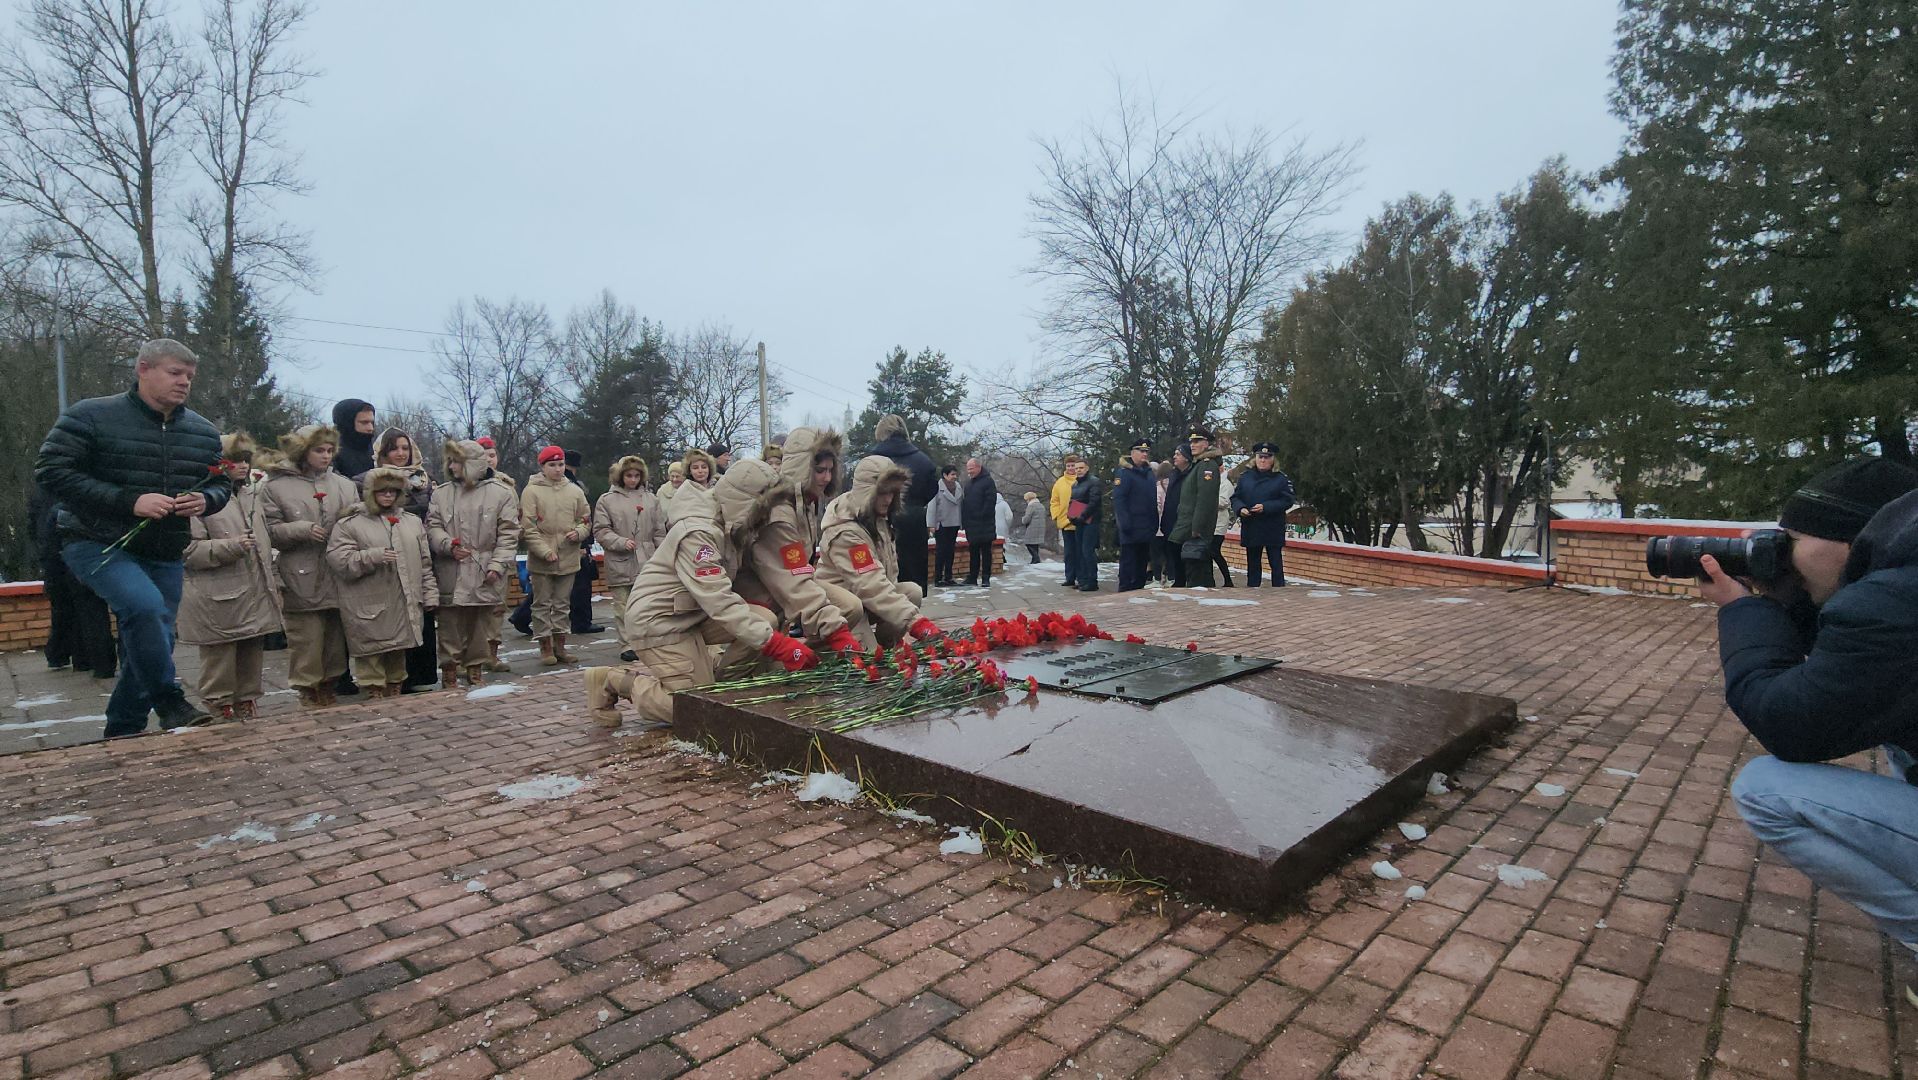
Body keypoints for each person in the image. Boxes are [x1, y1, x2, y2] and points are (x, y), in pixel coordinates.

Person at [1698, 458, 1918, 981]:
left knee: (1766, 790)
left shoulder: (1893, 602)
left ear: (1851, 537)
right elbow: (1851, 662)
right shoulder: (1902, 585)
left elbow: (1791, 725)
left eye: (1793, 537)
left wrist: (1740, 610)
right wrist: (1785, 600)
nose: (1783, 551)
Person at [34, 339, 228, 735]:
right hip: (94, 539)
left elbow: (221, 483)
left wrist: (204, 500)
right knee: (144, 609)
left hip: (165, 547)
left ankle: (124, 728)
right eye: (175, 373)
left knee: (154, 633)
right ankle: (170, 700)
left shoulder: (202, 431)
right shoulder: (91, 415)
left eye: (189, 376)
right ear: (143, 369)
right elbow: (52, 471)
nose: (184, 383)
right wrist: (129, 501)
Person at [582, 459, 816, 730]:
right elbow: (718, 599)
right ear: (745, 503)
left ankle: (726, 685)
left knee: (763, 618)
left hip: (691, 614)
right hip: (659, 621)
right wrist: (777, 646)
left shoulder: (729, 524)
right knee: (696, 711)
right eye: (764, 510)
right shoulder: (698, 532)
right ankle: (612, 680)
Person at [732, 427, 863, 667]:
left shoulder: (806, 502)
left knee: (849, 606)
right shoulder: (781, 511)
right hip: (760, 592)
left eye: (830, 471)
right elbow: (791, 579)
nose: (826, 478)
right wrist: (839, 634)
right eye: (819, 470)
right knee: (733, 673)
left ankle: (807, 661)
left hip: (787, 583)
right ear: (803, 468)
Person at [178, 434, 282, 721]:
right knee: (220, 657)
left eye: (246, 460)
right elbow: (188, 551)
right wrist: (231, 546)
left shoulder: (250, 496)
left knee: (252, 648)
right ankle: (219, 703)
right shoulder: (196, 499)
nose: (243, 466)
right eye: (234, 460)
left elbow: (265, 542)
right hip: (216, 593)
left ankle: (248, 698)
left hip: (254, 589)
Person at [262, 422, 361, 707]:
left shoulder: (343, 485)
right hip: (300, 572)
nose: (326, 456)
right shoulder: (276, 487)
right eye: (319, 450)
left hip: (337, 572)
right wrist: (301, 529)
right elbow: (269, 530)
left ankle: (330, 684)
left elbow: (357, 523)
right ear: (303, 451)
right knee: (306, 638)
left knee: (334, 637)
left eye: (330, 450)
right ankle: (308, 688)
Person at [326, 467, 436, 698]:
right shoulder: (350, 524)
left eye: (393, 491)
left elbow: (424, 562)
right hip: (368, 606)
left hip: (403, 604)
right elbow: (339, 561)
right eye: (382, 491)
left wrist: (429, 593)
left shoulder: (412, 522)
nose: (388, 496)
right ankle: (373, 696)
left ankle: (394, 692)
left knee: (397, 658)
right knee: (371, 658)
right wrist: (371, 556)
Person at [816, 456, 943, 648]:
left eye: (893, 492)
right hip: (842, 607)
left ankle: (887, 644)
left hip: (865, 598)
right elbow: (869, 584)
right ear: (868, 491)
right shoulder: (845, 531)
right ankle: (824, 648)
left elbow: (887, 579)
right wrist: (915, 622)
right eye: (882, 492)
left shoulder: (878, 519)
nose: (888, 499)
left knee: (912, 592)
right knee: (868, 661)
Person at [428, 439, 521, 689]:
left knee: (480, 625)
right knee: (448, 626)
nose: (452, 466)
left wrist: (498, 565)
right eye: (450, 461)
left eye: (457, 461)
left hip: (484, 569)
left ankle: (476, 669)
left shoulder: (500, 493)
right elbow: (433, 526)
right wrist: (448, 545)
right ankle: (449, 671)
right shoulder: (442, 493)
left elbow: (509, 533)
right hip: (451, 569)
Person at [369, 427, 441, 690]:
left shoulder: (425, 480)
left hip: (422, 548)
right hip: (390, 550)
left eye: (405, 448)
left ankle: (423, 674)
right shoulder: (368, 480)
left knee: (423, 611)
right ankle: (399, 676)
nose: (400, 454)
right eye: (394, 448)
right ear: (382, 452)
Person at [29, 480, 115, 678]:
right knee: (89, 609)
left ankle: (75, 658)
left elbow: (35, 525)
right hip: (84, 555)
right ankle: (96, 662)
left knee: (70, 608)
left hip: (58, 556)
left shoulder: (45, 491)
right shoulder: (86, 489)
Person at [521, 445, 591, 666]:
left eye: (561, 464)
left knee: (562, 604)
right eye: (552, 465)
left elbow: (585, 519)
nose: (558, 469)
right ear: (542, 466)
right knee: (542, 604)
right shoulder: (531, 491)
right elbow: (528, 527)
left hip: (568, 555)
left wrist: (578, 533)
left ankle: (560, 645)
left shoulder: (575, 491)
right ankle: (545, 646)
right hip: (543, 559)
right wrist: (543, 551)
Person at [594, 454, 665, 660]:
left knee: (646, 604)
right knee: (622, 605)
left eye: (636, 475)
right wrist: (620, 542)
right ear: (620, 476)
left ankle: (646, 641)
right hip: (620, 560)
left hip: (647, 559)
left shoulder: (651, 500)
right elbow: (601, 530)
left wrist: (661, 555)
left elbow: (660, 530)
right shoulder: (607, 500)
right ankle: (626, 644)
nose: (632, 480)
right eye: (628, 475)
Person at [868, 414, 937, 591]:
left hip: (882, 519)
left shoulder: (873, 459)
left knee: (884, 578)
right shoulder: (923, 459)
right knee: (913, 579)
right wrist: (916, 503)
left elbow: (865, 490)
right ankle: (914, 614)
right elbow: (932, 489)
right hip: (914, 520)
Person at [476, 436, 516, 672]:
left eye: (492, 455)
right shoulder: (468, 483)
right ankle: (468, 656)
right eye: (483, 455)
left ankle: (492, 653)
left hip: (500, 553)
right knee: (472, 609)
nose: (489, 459)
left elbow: (513, 520)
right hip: (474, 554)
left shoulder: (507, 486)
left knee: (497, 607)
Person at [1231, 442, 1296, 587]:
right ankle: (1253, 592)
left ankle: (1278, 593)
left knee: (1276, 564)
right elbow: (1236, 497)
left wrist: (1266, 507)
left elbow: (1287, 500)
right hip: (1251, 526)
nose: (1263, 460)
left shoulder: (1280, 479)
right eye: (1260, 457)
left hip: (1272, 527)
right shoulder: (1246, 477)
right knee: (1253, 565)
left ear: (1273, 459)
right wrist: (1240, 508)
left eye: (1267, 457)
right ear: (1255, 458)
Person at [1170, 428, 1225, 588]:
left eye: (1197, 441)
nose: (1192, 445)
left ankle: (1201, 602)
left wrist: (1197, 528)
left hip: (1195, 529)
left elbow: (1205, 501)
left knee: (1199, 573)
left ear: (1206, 444)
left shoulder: (1207, 466)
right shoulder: (1198, 465)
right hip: (1187, 524)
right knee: (1193, 568)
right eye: (1191, 441)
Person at [563, 449, 605, 636]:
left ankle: (522, 616)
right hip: (574, 540)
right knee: (580, 586)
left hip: (571, 538)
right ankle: (581, 622)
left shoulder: (570, 485)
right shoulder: (573, 486)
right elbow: (582, 516)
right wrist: (584, 542)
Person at [1112, 439, 1157, 592]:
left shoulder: (1149, 473)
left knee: (1141, 565)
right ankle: (1124, 593)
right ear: (1132, 453)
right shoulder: (1124, 473)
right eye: (1141, 451)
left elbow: (1152, 500)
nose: (1144, 454)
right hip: (1130, 527)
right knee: (1128, 565)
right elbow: (1120, 500)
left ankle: (1138, 592)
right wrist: (1124, 524)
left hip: (1146, 527)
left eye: (1146, 451)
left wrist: (1154, 523)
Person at [960, 457, 998, 588]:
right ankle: (972, 577)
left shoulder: (988, 482)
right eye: (968, 469)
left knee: (986, 552)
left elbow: (990, 502)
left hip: (984, 524)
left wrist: (981, 516)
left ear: (978, 467)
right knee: (973, 552)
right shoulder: (969, 484)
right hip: (972, 525)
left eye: (971, 469)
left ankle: (986, 578)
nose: (969, 472)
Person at [1067, 459, 1104, 591]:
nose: (1078, 470)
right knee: (1080, 551)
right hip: (1079, 521)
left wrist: (1083, 516)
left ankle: (1092, 581)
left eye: (1081, 468)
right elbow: (1073, 501)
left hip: (1091, 521)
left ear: (1087, 468)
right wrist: (1070, 516)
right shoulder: (1075, 484)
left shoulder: (1094, 482)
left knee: (1087, 551)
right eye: (1076, 468)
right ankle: (1082, 580)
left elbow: (1094, 502)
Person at [1158, 448, 1190, 588]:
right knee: (1172, 554)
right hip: (1170, 521)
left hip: (1183, 522)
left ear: (1187, 458)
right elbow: (1169, 500)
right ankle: (1176, 580)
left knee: (1183, 556)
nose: (1174, 457)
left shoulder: (1190, 475)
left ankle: (1181, 580)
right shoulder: (1174, 474)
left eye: (1178, 454)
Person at [1050, 454, 1082, 587]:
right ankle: (1070, 577)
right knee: (1069, 553)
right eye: (1068, 466)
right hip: (1065, 522)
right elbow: (1054, 501)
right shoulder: (1060, 482)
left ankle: (1081, 577)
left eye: (1073, 466)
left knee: (1080, 552)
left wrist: (1078, 515)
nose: (1070, 468)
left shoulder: (1081, 480)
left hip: (1080, 522)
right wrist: (1057, 515)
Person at [330, 398, 377, 487]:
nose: (370, 428)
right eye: (364, 422)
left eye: (372, 422)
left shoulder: (377, 451)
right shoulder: (329, 453)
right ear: (348, 423)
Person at [930, 465, 962, 587]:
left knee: (950, 551)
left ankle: (949, 577)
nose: (954, 477)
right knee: (941, 552)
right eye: (952, 474)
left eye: (955, 474)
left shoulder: (958, 486)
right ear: (945, 475)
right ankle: (938, 578)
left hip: (954, 523)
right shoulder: (937, 487)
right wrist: (931, 524)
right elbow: (932, 506)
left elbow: (961, 505)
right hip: (942, 523)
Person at [1018, 491, 1047, 564]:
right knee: (1035, 544)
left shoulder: (1031, 506)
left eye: (1026, 500)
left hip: (1032, 527)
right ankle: (1034, 560)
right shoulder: (1041, 505)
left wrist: (1022, 519)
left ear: (1029, 499)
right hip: (1041, 527)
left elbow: (1026, 519)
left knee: (1028, 543)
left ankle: (1036, 558)